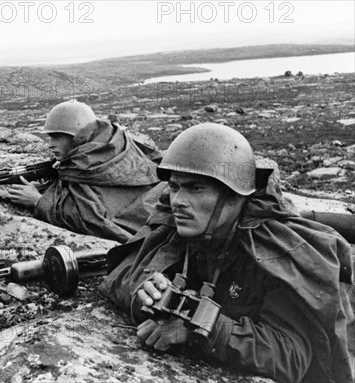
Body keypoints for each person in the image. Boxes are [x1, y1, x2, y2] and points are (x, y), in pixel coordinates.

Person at [99, 123, 354, 383]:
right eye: (174, 187)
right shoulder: (179, 228)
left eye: (196, 188)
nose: (178, 201)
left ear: (235, 196)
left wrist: (196, 331)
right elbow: (118, 275)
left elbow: (291, 357)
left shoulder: (272, 252)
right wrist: (148, 295)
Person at [7, 101, 162, 243]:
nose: (50, 145)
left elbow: (91, 221)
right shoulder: (109, 144)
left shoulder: (90, 162)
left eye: (57, 138)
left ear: (78, 137)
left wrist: (38, 201)